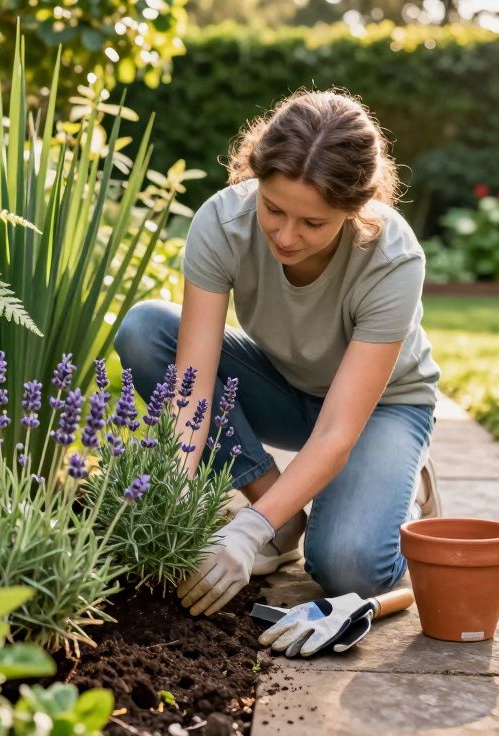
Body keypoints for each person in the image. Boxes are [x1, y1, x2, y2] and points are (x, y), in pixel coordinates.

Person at [113, 89, 441, 617]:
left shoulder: (391, 258)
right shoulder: (223, 223)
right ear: (256, 181)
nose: (286, 236)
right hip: (285, 386)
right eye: (273, 209)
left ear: (355, 211)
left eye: (313, 224)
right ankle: (282, 516)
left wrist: (246, 531)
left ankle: (400, 475)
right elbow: (193, 385)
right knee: (147, 331)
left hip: (381, 406)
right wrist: (170, 496)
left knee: (348, 569)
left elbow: (337, 430)